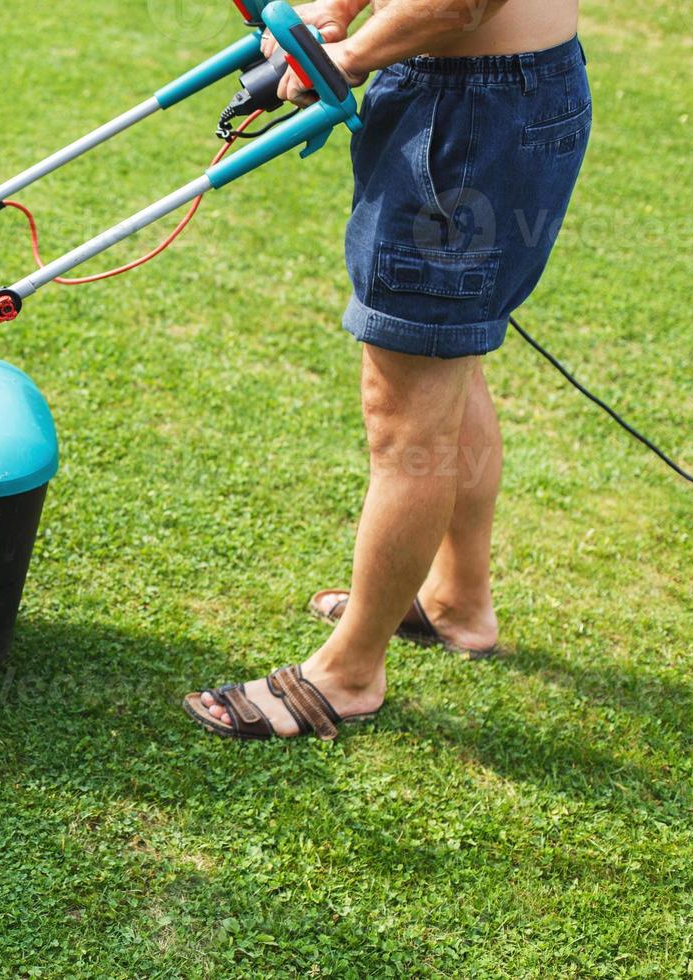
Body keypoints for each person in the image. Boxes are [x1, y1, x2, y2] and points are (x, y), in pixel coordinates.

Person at [184, 0, 590, 740]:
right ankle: (458, 603)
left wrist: (356, 51)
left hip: (470, 108)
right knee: (446, 358)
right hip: (488, 91)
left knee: (409, 398)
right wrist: (338, 12)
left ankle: (349, 673)